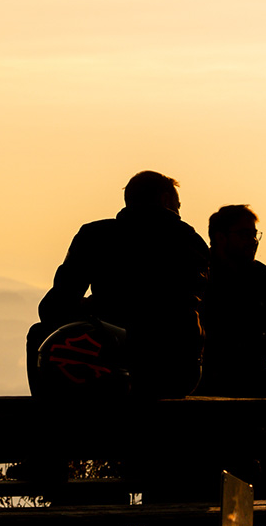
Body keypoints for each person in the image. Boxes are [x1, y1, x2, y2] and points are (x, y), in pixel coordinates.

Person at [34, 171, 209, 399]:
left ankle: (44, 414)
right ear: (166, 200)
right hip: (179, 371)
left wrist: (90, 307)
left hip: (116, 364)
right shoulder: (191, 241)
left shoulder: (95, 235)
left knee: (40, 334)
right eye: (178, 204)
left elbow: (54, 307)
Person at [193, 204, 266, 497]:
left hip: (257, 391)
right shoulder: (200, 278)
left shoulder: (265, 278)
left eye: (255, 234)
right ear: (219, 237)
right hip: (210, 395)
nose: (253, 241)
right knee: (214, 483)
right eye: (245, 234)